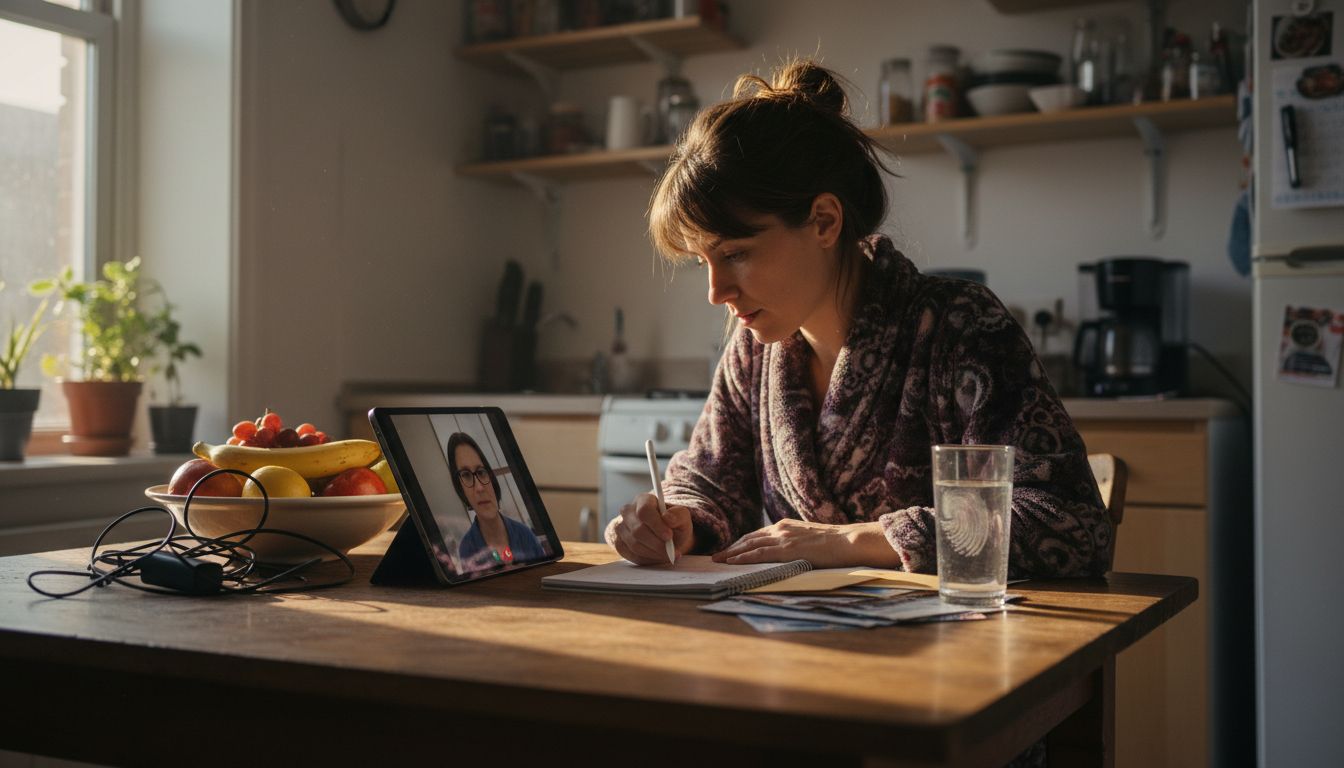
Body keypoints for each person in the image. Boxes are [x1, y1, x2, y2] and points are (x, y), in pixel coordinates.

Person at [606, 59, 1112, 579]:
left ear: (824, 221)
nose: (717, 293)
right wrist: (675, 521)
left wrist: (856, 540)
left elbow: (1071, 523)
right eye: (703, 263)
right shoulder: (753, 348)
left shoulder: (961, 327)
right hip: (799, 645)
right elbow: (712, 483)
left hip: (953, 647)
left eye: (735, 254)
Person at [447, 432, 546, 567]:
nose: (479, 487)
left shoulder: (525, 535)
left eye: (481, 472)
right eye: (466, 475)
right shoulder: (467, 549)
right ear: (460, 488)